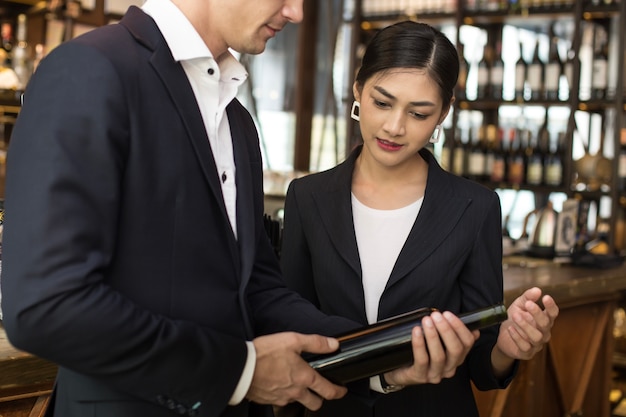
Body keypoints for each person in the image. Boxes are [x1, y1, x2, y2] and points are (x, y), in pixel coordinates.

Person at [1, 1, 364, 416]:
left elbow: (256, 291)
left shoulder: (237, 121)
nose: (297, 13)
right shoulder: (89, 69)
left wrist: (381, 351)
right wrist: (238, 372)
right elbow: (47, 307)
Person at [279, 21, 559, 417]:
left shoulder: (474, 207)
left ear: (443, 113)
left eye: (419, 113)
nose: (395, 127)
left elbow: (482, 362)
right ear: (358, 89)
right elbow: (292, 333)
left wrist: (506, 349)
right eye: (382, 103)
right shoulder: (307, 198)